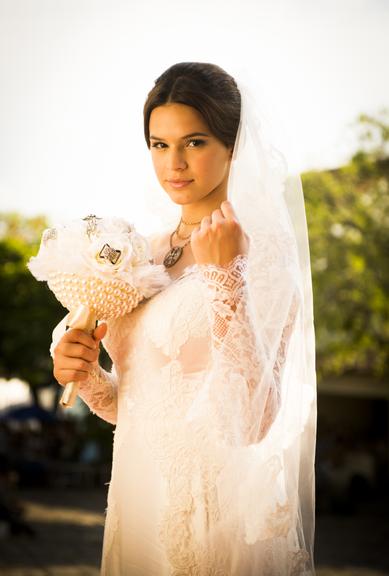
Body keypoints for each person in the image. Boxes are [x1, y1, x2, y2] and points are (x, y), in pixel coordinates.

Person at [51, 62, 317, 575]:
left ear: (233, 145)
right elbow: (140, 400)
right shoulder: (140, 255)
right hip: (137, 485)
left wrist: (227, 278)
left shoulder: (261, 253)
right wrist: (86, 375)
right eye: (159, 144)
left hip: (214, 506)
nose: (174, 163)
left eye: (194, 142)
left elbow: (253, 421)